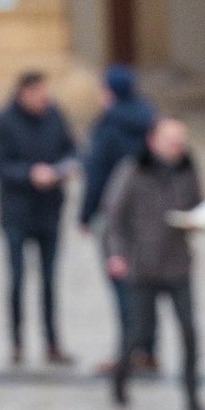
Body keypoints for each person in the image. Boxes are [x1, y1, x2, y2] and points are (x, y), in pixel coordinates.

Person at [103, 119, 205, 410]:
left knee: (189, 332)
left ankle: (192, 398)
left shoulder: (188, 168)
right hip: (142, 266)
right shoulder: (134, 170)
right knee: (136, 332)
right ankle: (120, 379)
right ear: (153, 141)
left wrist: (197, 219)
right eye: (171, 141)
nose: (177, 148)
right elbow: (114, 217)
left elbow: (198, 202)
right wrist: (117, 255)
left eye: (181, 142)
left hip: (177, 264)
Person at [0, 71, 77, 366]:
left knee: (50, 280)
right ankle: (17, 343)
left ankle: (52, 342)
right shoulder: (1, 122)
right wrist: (30, 174)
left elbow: (73, 150)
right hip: (17, 213)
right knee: (17, 280)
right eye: (39, 93)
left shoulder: (55, 116)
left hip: (49, 210)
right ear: (23, 93)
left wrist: (63, 169)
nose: (44, 98)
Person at [79, 65, 160, 373]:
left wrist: (85, 215)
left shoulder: (109, 127)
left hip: (116, 217)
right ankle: (149, 349)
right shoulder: (151, 120)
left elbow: (96, 175)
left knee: (123, 286)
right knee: (148, 283)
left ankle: (129, 351)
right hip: (151, 215)